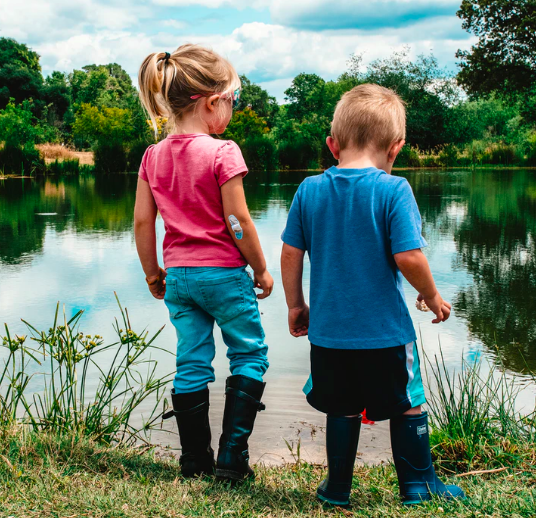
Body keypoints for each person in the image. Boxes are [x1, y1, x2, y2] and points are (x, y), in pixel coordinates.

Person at [280, 84, 466, 507]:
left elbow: (291, 253)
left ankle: (337, 490)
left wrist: (295, 304)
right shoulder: (393, 190)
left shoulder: (309, 190)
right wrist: (432, 296)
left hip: (329, 336)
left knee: (341, 407)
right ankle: (418, 485)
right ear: (396, 147)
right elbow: (409, 256)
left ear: (332, 145)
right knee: (407, 402)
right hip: (385, 333)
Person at [134, 44, 273, 481]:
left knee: (191, 362)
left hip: (179, 277)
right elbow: (237, 220)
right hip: (223, 275)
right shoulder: (222, 151)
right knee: (249, 354)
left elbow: (142, 221)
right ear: (212, 102)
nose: (231, 110)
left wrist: (152, 272)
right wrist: (262, 268)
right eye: (232, 100)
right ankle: (232, 459)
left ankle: (194, 460)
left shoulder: (153, 155)